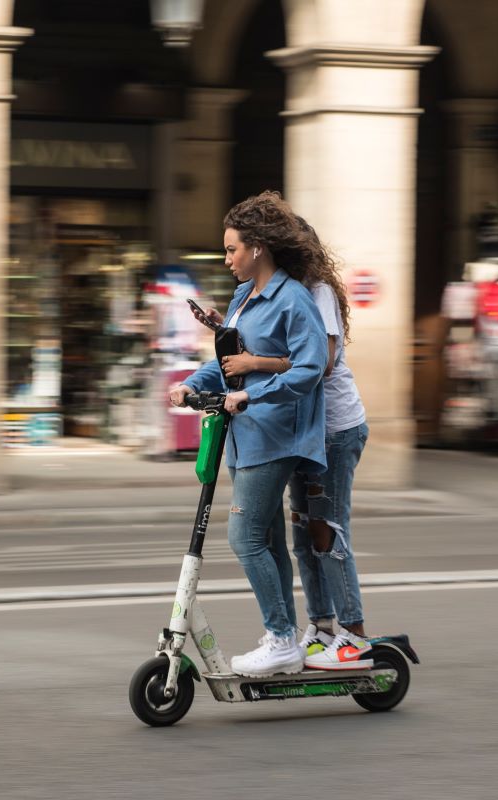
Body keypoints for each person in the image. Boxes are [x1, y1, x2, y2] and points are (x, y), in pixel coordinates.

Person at [191, 216, 375, 671]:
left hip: (333, 427)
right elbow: (253, 350)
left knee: (326, 532)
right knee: (299, 537)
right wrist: (229, 334)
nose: (229, 258)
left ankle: (354, 635)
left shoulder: (313, 292)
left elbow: (321, 364)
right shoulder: (255, 292)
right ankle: (319, 627)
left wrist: (254, 364)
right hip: (294, 427)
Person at [169, 191, 328, 678]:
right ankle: (284, 640)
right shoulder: (244, 297)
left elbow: (311, 368)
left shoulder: (293, 301)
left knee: (244, 538)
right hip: (243, 434)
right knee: (270, 541)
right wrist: (193, 383)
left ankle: (280, 637)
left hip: (276, 433)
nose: (226, 258)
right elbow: (228, 359)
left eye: (231, 249)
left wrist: (252, 396)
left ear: (257, 247)